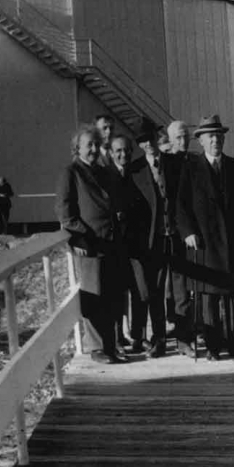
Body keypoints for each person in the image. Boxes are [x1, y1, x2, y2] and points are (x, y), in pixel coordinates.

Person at [176, 114, 234, 360]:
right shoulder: (190, 168)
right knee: (209, 296)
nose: (216, 140)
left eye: (219, 136)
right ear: (201, 141)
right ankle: (213, 347)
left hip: (233, 242)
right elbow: (181, 205)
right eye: (210, 136)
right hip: (205, 242)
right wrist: (188, 232)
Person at [54, 124, 126, 364]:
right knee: (93, 296)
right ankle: (97, 347)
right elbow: (65, 212)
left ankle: (111, 346)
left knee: (111, 296)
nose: (94, 149)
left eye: (96, 144)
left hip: (111, 243)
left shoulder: (104, 172)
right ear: (77, 148)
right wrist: (80, 237)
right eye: (89, 145)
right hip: (89, 245)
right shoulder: (71, 172)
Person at [131, 120, 173, 356]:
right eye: (142, 141)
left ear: (157, 137)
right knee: (154, 291)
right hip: (151, 240)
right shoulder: (135, 170)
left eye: (149, 138)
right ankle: (159, 339)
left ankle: (186, 335)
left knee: (179, 290)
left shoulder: (173, 163)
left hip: (175, 237)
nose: (147, 144)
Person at [107, 134, 147, 352]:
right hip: (115, 247)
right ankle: (117, 338)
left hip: (137, 246)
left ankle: (138, 336)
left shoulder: (137, 173)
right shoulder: (105, 176)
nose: (123, 155)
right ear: (111, 153)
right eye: (118, 151)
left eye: (127, 150)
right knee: (116, 294)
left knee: (141, 291)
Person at [163, 118, 195, 354]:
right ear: (171, 140)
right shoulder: (165, 163)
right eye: (178, 138)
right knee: (177, 285)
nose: (183, 141)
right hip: (173, 232)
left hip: (196, 232)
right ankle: (182, 335)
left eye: (186, 137)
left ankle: (195, 327)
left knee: (193, 283)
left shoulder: (195, 161)